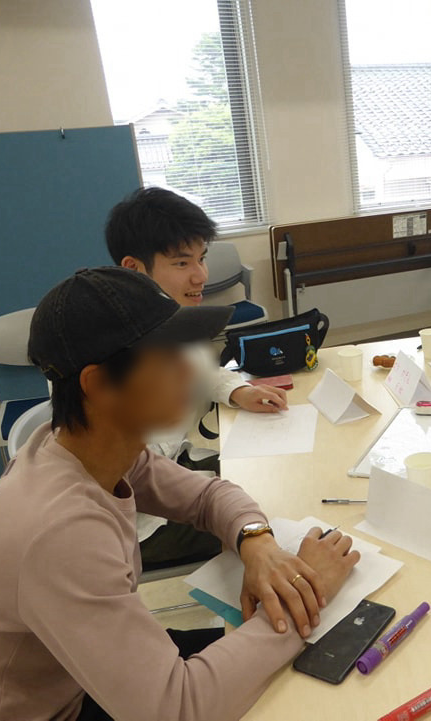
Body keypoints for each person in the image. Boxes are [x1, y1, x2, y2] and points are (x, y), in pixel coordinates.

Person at [0, 267, 360, 721]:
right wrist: (307, 593)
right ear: (99, 385)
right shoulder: (58, 529)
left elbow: (208, 497)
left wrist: (258, 543)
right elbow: (177, 709)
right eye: (167, 357)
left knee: (291, 668)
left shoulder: (91, 448)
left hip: (68, 680)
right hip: (50, 709)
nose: (190, 370)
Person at [105, 187, 288, 570]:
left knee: (277, 472)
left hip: (177, 467)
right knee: (277, 519)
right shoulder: (105, 350)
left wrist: (237, 390)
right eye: (181, 263)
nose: (201, 275)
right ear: (134, 268)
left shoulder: (162, 317)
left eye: (201, 258)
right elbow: (132, 475)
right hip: (143, 522)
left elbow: (201, 369)